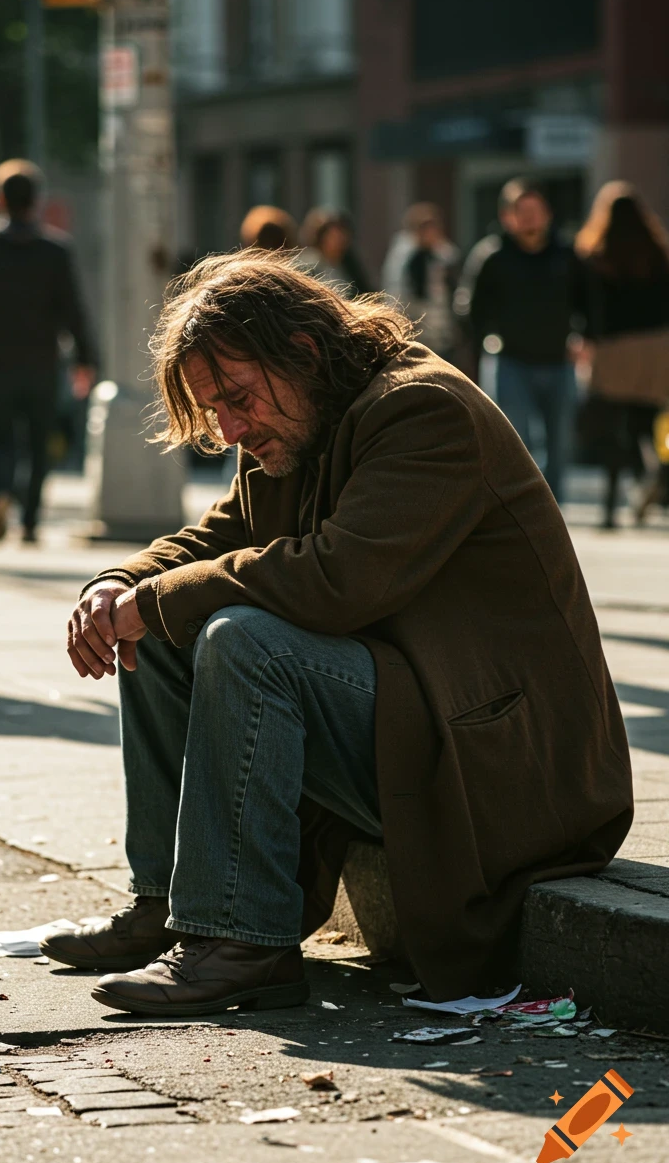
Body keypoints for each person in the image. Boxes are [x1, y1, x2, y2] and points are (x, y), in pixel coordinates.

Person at [42, 252, 632, 1015]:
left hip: (514, 768)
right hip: (418, 716)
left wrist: (155, 601)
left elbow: (338, 579)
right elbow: (214, 539)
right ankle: (167, 906)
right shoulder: (300, 421)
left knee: (239, 639)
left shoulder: (426, 411)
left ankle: (243, 941)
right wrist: (114, 588)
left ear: (305, 351)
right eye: (214, 410)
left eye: (237, 398)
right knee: (162, 625)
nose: (228, 427)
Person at [0, 160, 98, 545]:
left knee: (0, 438)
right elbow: (74, 310)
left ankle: (0, 494)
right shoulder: (55, 250)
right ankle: (29, 521)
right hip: (43, 360)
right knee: (38, 441)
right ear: (37, 201)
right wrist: (86, 359)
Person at [457, 179, 575, 502]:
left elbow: (590, 299)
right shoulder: (491, 256)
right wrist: (481, 345)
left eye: (536, 211)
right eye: (521, 211)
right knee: (514, 439)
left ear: (548, 214)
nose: (529, 219)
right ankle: (523, 505)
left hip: (559, 360)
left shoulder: (566, 254)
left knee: (560, 443)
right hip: (510, 360)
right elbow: (469, 308)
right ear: (507, 216)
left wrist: (587, 338)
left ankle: (555, 508)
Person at [573, 181, 669, 529]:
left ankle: (612, 508)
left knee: (614, 428)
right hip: (656, 347)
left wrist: (584, 340)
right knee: (648, 423)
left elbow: (587, 306)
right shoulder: (658, 252)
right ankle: (658, 474)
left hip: (614, 348)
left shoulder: (596, 255)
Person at [390, 204, 462, 367]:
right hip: (417, 333)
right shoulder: (406, 260)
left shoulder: (445, 257)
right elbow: (399, 296)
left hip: (443, 334)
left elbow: (453, 292)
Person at [299, 208, 372, 298]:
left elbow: (365, 293)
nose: (339, 241)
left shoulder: (350, 265)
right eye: (333, 236)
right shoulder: (308, 266)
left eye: (342, 235)